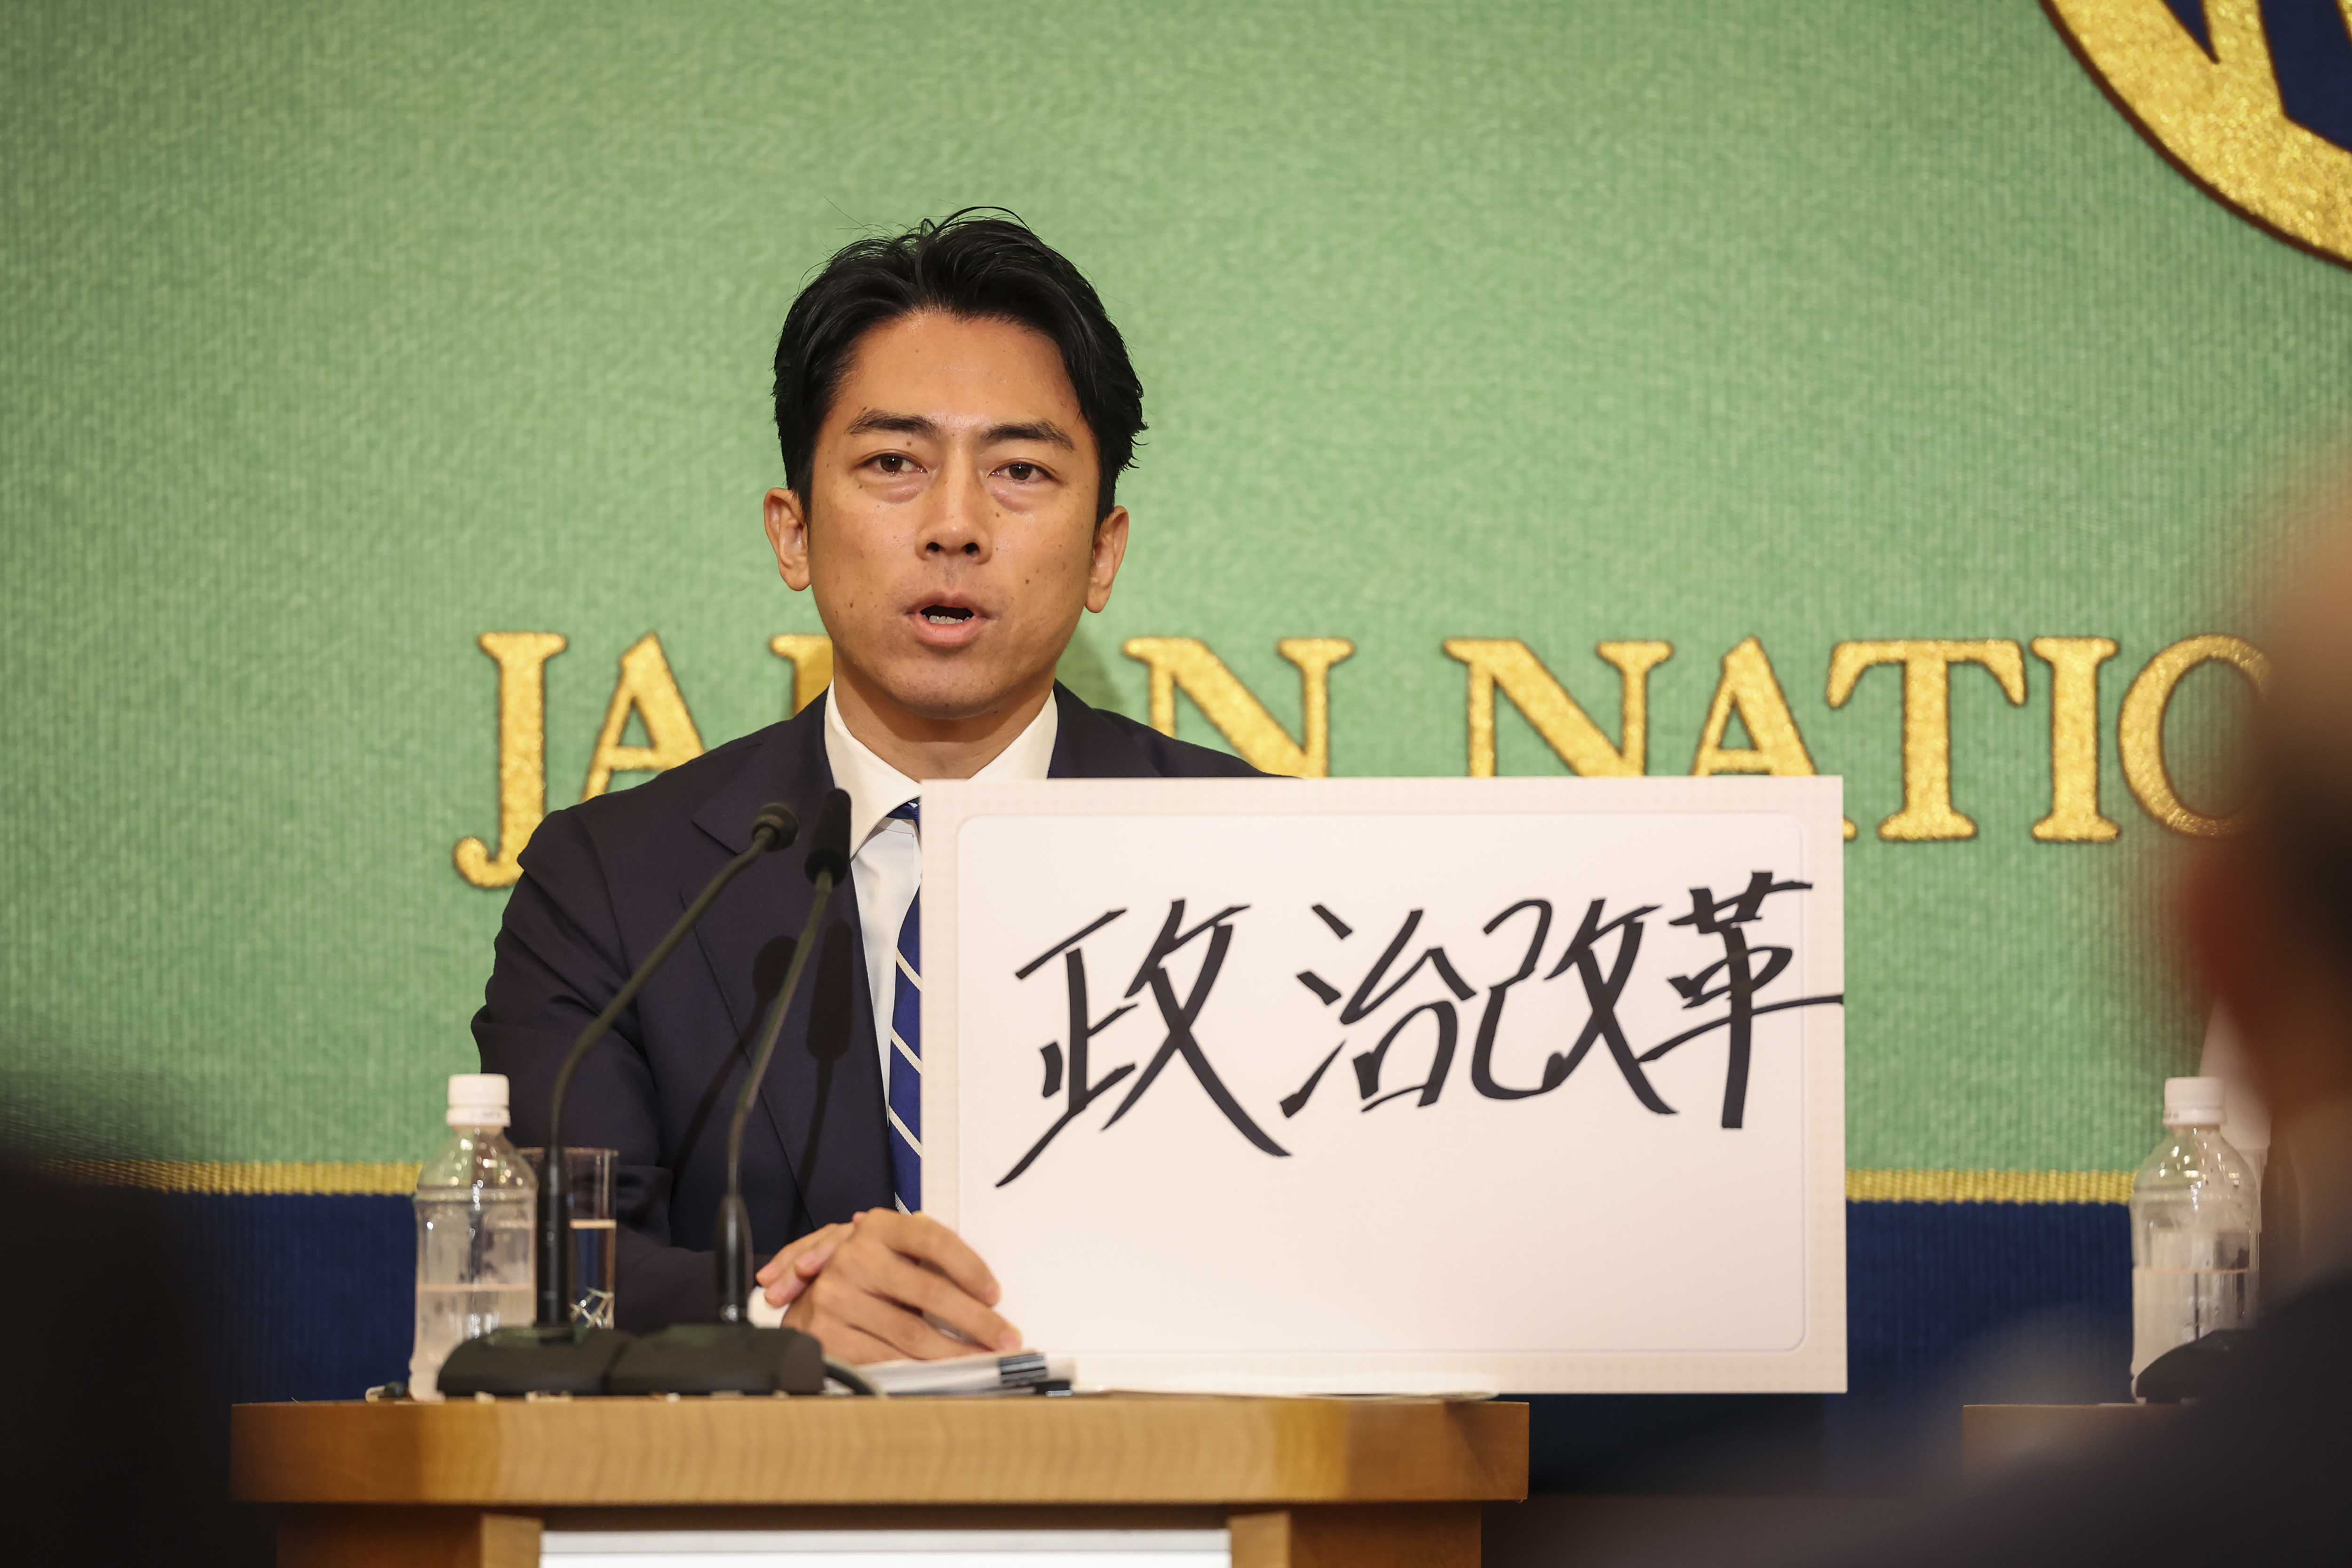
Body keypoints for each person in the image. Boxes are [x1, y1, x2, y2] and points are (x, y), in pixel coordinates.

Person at [475, 212, 1259, 1360]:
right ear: (792, 534)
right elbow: (550, 1251)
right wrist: (783, 1313)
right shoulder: (614, 883)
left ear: (1103, 551)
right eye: (893, 463)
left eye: (1022, 471)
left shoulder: (1254, 851)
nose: (954, 525)